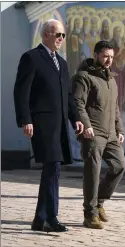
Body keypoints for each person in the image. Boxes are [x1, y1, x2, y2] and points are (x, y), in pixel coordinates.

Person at [13, 19, 84, 232]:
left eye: (63, 35)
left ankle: (40, 218)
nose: (61, 39)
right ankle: (50, 217)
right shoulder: (32, 58)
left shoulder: (61, 63)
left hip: (60, 125)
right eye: (58, 35)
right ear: (45, 35)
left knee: (53, 169)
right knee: (52, 167)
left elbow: (68, 96)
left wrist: (76, 118)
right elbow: (21, 92)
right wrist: (26, 119)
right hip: (42, 123)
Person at [72, 40, 125, 229]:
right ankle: (90, 215)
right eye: (105, 56)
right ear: (96, 55)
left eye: (111, 57)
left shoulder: (111, 79)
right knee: (92, 173)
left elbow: (116, 108)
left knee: (120, 166)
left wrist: (119, 130)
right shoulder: (84, 76)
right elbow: (78, 102)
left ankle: (100, 201)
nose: (109, 60)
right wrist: (86, 125)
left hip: (111, 133)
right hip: (93, 132)